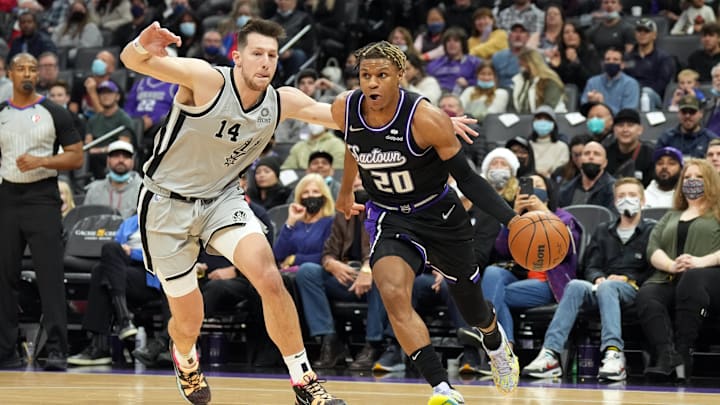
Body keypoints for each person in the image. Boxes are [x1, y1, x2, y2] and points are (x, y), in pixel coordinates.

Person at [119, 19, 350, 404]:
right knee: (189, 319)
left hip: (223, 199)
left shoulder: (282, 101)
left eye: (272, 55)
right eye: (257, 54)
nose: (265, 63)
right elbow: (134, 61)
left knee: (269, 278)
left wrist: (412, 114)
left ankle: (303, 380)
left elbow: (339, 116)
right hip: (166, 203)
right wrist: (141, 44)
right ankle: (187, 358)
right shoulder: (205, 79)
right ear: (237, 56)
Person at [330, 41, 522, 403]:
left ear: (400, 76)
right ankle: (441, 387)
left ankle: (495, 343)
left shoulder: (425, 118)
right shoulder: (346, 107)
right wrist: (344, 191)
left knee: (472, 307)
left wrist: (511, 220)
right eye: (365, 75)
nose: (371, 83)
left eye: (381, 75)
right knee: (391, 292)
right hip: (390, 216)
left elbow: (467, 179)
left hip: (439, 216)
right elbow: (353, 145)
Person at [522, 177, 655, 380]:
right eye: (621, 195)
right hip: (602, 287)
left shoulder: (652, 230)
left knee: (609, 287)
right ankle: (551, 354)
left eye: (632, 195)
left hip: (634, 290)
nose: (626, 199)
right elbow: (590, 265)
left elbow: (653, 267)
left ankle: (614, 354)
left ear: (643, 200)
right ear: (614, 201)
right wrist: (598, 277)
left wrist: (626, 279)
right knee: (575, 285)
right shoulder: (603, 230)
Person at [0, 53, 83, 371]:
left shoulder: (54, 112)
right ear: (10, 73)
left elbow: (76, 157)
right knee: (4, 277)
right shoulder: (2, 113)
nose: (27, 73)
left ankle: (58, 350)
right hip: (7, 197)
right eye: (21, 68)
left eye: (32, 69)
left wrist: (42, 161)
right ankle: (7, 351)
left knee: (50, 277)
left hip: (42, 198)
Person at [480, 174, 581, 360]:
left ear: (548, 194)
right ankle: (504, 347)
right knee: (492, 273)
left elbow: (568, 247)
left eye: (539, 185)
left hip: (550, 284)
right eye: (528, 186)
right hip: (521, 278)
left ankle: (500, 350)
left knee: (495, 296)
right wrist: (513, 216)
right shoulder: (519, 219)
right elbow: (501, 249)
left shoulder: (564, 217)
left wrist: (545, 214)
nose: (533, 190)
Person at [636, 159, 720, 379]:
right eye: (688, 178)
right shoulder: (672, 215)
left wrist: (701, 261)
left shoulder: (718, 212)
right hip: (671, 276)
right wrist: (671, 265)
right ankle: (667, 355)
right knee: (648, 293)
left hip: (711, 277)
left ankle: (684, 353)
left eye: (698, 177)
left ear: (710, 181)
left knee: (693, 278)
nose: (692, 181)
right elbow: (653, 247)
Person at [67, 214, 163, 366]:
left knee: (101, 271)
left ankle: (100, 346)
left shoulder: (166, 222)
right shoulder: (130, 222)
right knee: (106, 257)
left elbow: (164, 255)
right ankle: (124, 319)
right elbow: (114, 253)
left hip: (149, 276)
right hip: (121, 271)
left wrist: (132, 252)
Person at [83, 140, 143, 218]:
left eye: (126, 156)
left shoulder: (143, 190)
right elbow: (85, 221)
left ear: (133, 161)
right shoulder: (94, 189)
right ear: (108, 160)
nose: (121, 160)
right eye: (116, 156)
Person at [581, 47, 640, 115]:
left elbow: (628, 114)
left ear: (622, 65)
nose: (611, 62)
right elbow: (583, 108)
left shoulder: (631, 84)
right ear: (603, 63)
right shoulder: (592, 82)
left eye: (615, 60)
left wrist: (602, 104)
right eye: (607, 59)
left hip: (619, 124)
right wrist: (590, 103)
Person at [558, 141, 616, 209]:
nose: (591, 157)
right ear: (580, 160)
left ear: (605, 163)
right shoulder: (565, 190)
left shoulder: (614, 189)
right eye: (586, 153)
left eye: (596, 154)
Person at [528, 105, 569, 176]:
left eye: (547, 119)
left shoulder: (562, 147)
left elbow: (560, 169)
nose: (542, 122)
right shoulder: (527, 146)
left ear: (553, 124)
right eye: (539, 118)